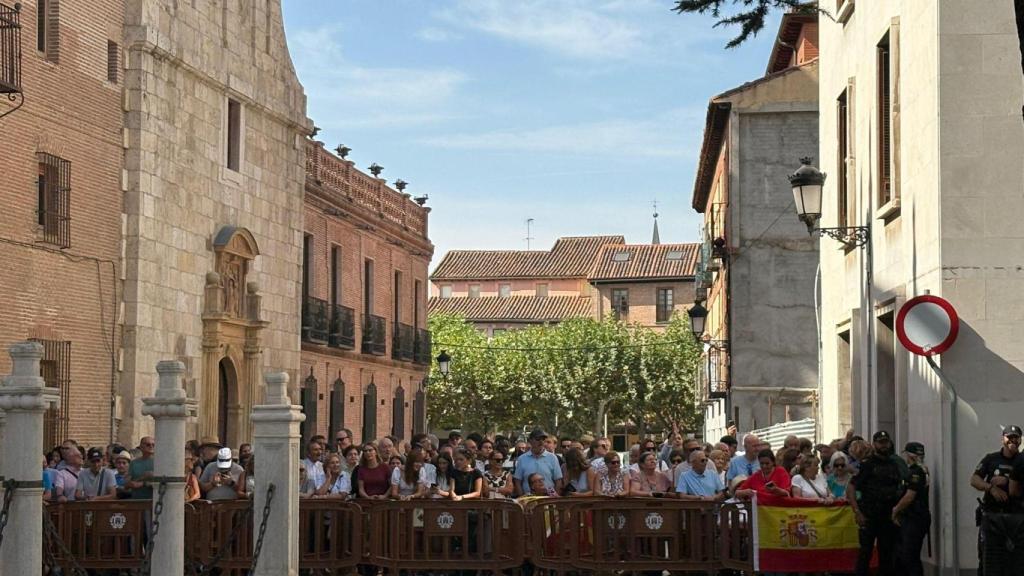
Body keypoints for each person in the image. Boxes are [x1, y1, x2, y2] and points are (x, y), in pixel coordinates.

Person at [848, 431, 906, 576]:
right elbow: (851, 488)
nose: (884, 445)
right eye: (880, 442)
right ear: (874, 444)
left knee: (887, 554)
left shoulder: (894, 464)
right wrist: (857, 512)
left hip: (888, 517)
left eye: (886, 442)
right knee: (865, 553)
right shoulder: (867, 465)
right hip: (869, 515)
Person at [972, 425, 1022, 576]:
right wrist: (990, 488)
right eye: (1009, 437)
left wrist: (1006, 481)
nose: (1012, 441)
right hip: (992, 518)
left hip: (1016, 519)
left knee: (1015, 561)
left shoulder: (1021, 461)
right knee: (987, 559)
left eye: (1016, 437)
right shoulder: (991, 459)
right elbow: (974, 480)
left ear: (1020, 440)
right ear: (1002, 439)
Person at [893, 442, 930, 576]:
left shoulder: (916, 472)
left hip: (914, 518)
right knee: (906, 555)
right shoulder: (921, 470)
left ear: (909, 455)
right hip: (915, 517)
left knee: (910, 556)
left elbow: (909, 496)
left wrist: (896, 510)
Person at [513, 428, 563, 496]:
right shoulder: (522, 459)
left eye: (543, 439)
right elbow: (518, 481)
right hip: (529, 498)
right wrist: (522, 498)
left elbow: (558, 480)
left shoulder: (552, 458)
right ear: (530, 441)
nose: (541, 442)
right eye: (538, 439)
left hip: (548, 498)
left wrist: (554, 498)